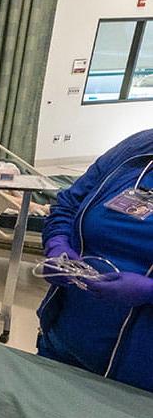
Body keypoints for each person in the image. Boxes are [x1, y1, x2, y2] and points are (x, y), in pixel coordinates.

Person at [37, 128, 153, 392]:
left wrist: (149, 291)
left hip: (140, 382)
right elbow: (67, 204)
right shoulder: (137, 148)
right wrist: (57, 245)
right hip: (63, 342)